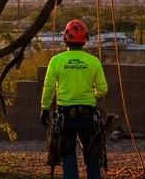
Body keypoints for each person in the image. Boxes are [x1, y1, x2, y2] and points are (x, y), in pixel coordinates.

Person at [41, 19, 109, 179]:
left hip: (65, 115)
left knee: (68, 153)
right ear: (85, 39)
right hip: (88, 114)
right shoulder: (93, 61)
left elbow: (49, 87)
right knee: (92, 153)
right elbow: (103, 89)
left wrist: (44, 109)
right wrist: (91, 96)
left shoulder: (56, 60)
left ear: (65, 38)